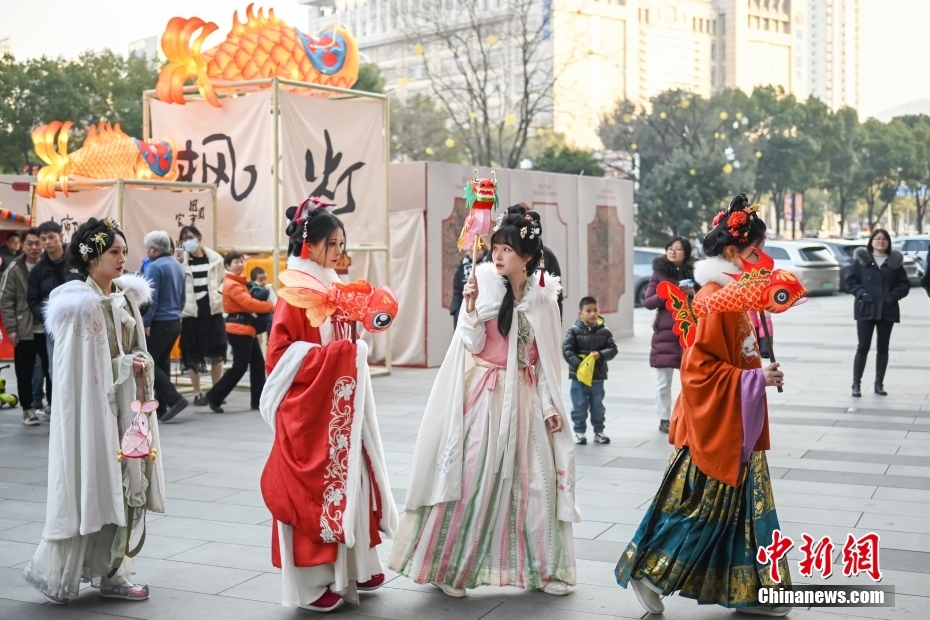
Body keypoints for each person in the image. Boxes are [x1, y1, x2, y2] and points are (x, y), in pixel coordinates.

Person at [389, 204, 580, 598]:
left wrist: (548, 405)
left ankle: (541, 569)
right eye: (495, 247)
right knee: (471, 475)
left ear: (526, 257)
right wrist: (471, 307)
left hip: (524, 399)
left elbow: (544, 360)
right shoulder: (483, 282)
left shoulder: (544, 300)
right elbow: (472, 344)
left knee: (533, 486)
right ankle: (449, 568)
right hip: (485, 393)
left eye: (506, 249)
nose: (497, 254)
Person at [615, 194, 790, 617]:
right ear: (732, 252)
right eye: (753, 251)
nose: (758, 258)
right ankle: (650, 572)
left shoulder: (731, 296)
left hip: (737, 421)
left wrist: (757, 374)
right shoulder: (714, 298)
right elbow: (697, 370)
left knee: (743, 511)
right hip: (716, 427)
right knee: (703, 512)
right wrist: (752, 378)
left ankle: (753, 593)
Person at [259, 198, 397, 613]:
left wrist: (352, 347)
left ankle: (354, 566)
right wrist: (342, 357)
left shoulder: (328, 289)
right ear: (309, 245)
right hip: (310, 407)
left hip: (337, 403)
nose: (339, 250)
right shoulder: (295, 294)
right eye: (332, 243)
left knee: (351, 477)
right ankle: (313, 580)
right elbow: (280, 358)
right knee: (315, 488)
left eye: (341, 242)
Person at [23, 217, 164, 604]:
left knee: (125, 483)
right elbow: (74, 373)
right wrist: (125, 365)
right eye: (113, 252)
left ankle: (113, 572)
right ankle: (94, 574)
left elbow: (134, 348)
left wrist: (136, 366)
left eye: (123, 251)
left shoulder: (125, 296)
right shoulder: (77, 303)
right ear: (91, 257)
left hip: (126, 409)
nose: (122, 259)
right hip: (95, 415)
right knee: (95, 483)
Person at [201, 252, 273, 413]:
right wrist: (272, 307)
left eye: (241, 261)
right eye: (235, 262)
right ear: (227, 266)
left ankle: (258, 401)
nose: (240, 264)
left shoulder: (239, 282)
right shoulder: (232, 284)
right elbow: (250, 304)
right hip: (240, 329)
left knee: (256, 364)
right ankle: (213, 396)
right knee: (240, 367)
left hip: (246, 328)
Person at [642, 237, 697, 433]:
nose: (672, 251)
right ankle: (664, 418)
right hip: (665, 334)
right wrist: (665, 293)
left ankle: (688, 415)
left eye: (678, 249)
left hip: (689, 332)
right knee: (663, 382)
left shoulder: (696, 272)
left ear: (686, 253)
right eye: (670, 248)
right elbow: (647, 302)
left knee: (690, 380)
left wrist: (692, 292)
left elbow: (705, 299)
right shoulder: (659, 273)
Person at [846, 229, 909, 397]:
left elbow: (904, 284)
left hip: (887, 310)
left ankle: (879, 384)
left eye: (884, 239)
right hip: (866, 309)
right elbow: (850, 282)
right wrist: (862, 294)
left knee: (883, 347)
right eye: (877, 239)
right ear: (871, 241)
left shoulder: (894, 263)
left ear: (888, 242)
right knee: (863, 347)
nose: (881, 242)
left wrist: (893, 296)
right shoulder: (861, 261)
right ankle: (856, 384)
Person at [0, 228, 49, 425]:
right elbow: (6, 300)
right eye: (30, 243)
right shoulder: (14, 269)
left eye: (38, 243)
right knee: (24, 371)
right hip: (24, 329)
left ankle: (52, 405)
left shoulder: (49, 266)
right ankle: (27, 408)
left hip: (48, 329)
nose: (35, 247)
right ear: (23, 245)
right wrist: (11, 328)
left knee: (51, 369)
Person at [142, 231, 189, 422]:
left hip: (159, 322)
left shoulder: (155, 267)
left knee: (148, 363)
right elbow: (183, 298)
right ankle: (162, 407)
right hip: (174, 321)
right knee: (161, 362)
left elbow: (150, 299)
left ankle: (174, 399)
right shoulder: (178, 266)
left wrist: (146, 322)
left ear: (153, 249)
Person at [177, 226, 226, 405]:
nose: (187, 241)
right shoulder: (181, 262)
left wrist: (219, 294)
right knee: (192, 354)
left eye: (190, 237)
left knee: (217, 352)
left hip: (213, 311)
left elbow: (224, 280)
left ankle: (216, 391)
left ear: (199, 237)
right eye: (183, 239)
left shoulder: (215, 258)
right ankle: (197, 392)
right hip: (192, 314)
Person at [27, 221, 81, 383]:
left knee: (80, 366)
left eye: (51, 237)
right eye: (43, 239)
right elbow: (32, 299)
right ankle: (58, 406)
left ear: (61, 237)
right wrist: (48, 318)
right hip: (54, 329)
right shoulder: (38, 270)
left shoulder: (76, 263)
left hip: (79, 325)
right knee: (55, 368)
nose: (47, 242)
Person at [562, 296, 618, 445]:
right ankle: (579, 432)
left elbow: (613, 349)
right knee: (579, 405)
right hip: (578, 379)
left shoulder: (605, 331)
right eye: (589, 311)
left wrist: (600, 355)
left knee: (598, 406)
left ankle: (599, 432)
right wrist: (579, 364)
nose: (593, 314)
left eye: (595, 310)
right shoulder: (573, 331)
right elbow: (567, 350)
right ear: (580, 313)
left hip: (597, 377)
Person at [450, 239, 490, 330]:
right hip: (465, 309)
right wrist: (456, 312)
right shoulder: (462, 269)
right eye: (469, 250)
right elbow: (457, 292)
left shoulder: (488, 265)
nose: (472, 253)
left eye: (476, 250)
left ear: (483, 249)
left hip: (484, 308)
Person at [247, 266, 275, 336]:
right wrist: (266, 290)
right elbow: (259, 297)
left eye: (265, 279)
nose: (264, 282)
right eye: (261, 280)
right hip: (260, 313)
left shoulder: (262, 287)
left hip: (266, 310)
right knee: (270, 320)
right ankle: (270, 336)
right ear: (254, 281)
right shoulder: (254, 288)